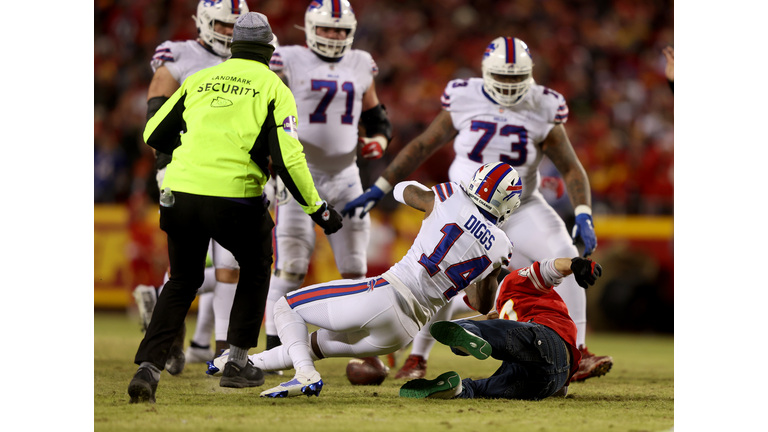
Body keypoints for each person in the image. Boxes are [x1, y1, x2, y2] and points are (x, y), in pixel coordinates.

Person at [342, 36, 612, 383]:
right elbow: (424, 144)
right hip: (465, 205)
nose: (511, 84)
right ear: (486, 73)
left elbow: (571, 167)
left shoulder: (544, 105)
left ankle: (580, 352)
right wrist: (381, 186)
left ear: (529, 74)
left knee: (565, 253)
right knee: (442, 274)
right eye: (504, 77)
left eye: (517, 78)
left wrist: (584, 213)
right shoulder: (465, 96)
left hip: (523, 205)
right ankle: (417, 357)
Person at [128, 11, 343, 404]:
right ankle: (237, 361)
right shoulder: (272, 86)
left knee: (182, 280)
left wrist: (196, 155)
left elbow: (153, 132)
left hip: (180, 193)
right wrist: (318, 209)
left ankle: (148, 367)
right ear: (268, 48)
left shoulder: (198, 79)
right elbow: (290, 158)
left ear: (233, 46)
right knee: (259, 265)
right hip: (234, 197)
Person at [207, 162, 522, 398]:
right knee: (314, 344)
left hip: (388, 293)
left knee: (286, 305)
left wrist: (420, 194)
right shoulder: (501, 247)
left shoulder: (450, 195)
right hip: (405, 331)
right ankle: (246, 362)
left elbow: (404, 191)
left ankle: (304, 375)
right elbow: (482, 302)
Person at [132, 0, 281, 375]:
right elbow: (155, 120)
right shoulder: (181, 56)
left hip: (205, 178)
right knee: (209, 266)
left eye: (235, 26)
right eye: (221, 24)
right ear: (201, 21)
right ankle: (205, 351)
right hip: (196, 172)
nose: (228, 31)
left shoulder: (249, 69)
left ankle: (209, 349)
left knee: (208, 268)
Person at [260, 0, 392, 361]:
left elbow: (377, 116)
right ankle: (276, 349)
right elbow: (263, 112)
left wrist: (378, 141)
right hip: (299, 174)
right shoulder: (286, 58)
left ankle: (357, 348)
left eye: (340, 30)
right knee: (291, 267)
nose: (334, 37)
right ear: (309, 28)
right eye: (327, 29)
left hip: (347, 175)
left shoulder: (361, 62)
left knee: (354, 268)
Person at [399, 256, 603, 400]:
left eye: (472, 284)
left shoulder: (513, 280)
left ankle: (472, 333)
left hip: (545, 338)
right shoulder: (503, 307)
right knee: (483, 387)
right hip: (552, 381)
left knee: (469, 327)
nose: (470, 291)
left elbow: (550, 268)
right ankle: (459, 389)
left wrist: (575, 263)